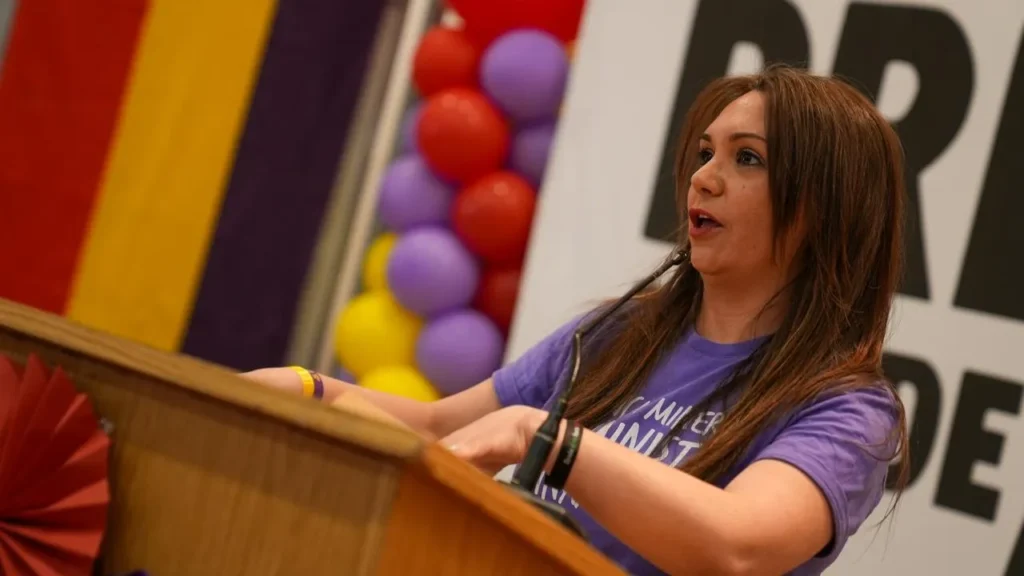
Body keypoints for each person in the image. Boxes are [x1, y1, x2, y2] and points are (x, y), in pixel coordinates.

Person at [245, 64, 909, 576]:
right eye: (706, 152)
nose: (703, 178)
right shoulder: (623, 333)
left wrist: (550, 442)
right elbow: (438, 432)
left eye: (748, 158)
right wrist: (309, 391)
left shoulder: (848, 410)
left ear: (825, 209)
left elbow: (738, 546)